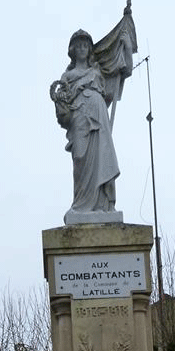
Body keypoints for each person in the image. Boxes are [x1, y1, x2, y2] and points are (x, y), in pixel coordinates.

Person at [50, 30, 120, 217]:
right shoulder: (67, 76)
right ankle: (81, 205)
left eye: (85, 45)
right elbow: (62, 110)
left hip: (98, 115)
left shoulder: (96, 72)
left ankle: (104, 205)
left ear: (89, 49)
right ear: (73, 50)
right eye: (78, 45)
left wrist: (125, 45)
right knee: (80, 158)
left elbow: (115, 82)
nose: (82, 48)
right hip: (79, 118)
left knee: (102, 157)